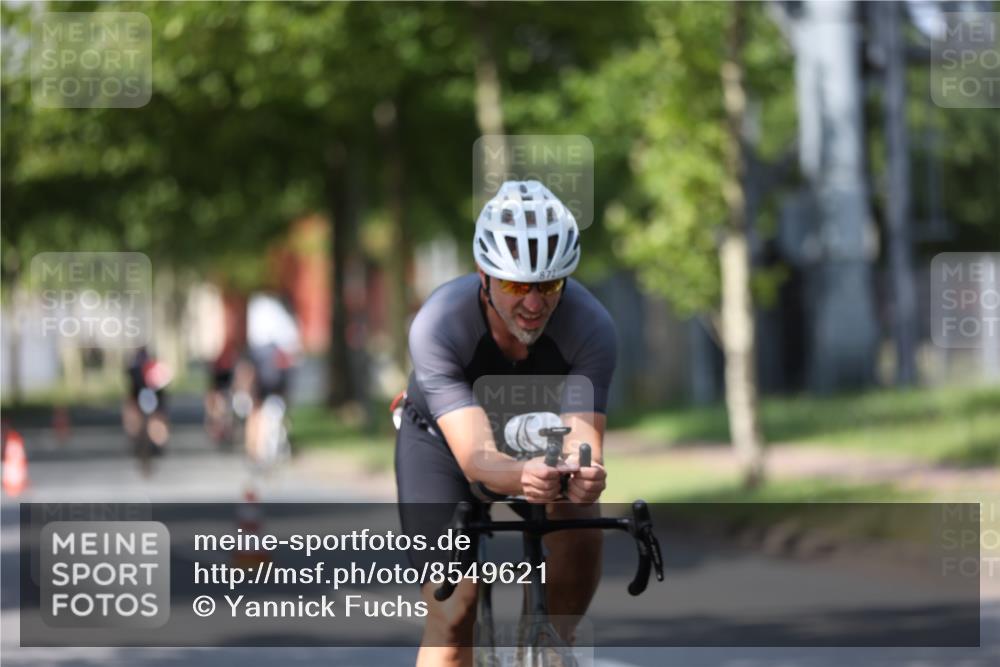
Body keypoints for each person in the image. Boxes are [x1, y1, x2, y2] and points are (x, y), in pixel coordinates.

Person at [395, 180, 616, 666]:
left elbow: (583, 437)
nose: (534, 304)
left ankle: (549, 647)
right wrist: (523, 476)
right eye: (516, 284)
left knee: (580, 522)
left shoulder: (591, 326)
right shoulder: (439, 324)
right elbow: (476, 458)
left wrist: (587, 474)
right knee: (454, 611)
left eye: (550, 285)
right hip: (443, 444)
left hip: (540, 437)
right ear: (483, 274)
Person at [243, 292, 301, 463]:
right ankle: (263, 446)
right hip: (276, 367)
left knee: (256, 408)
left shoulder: (258, 313)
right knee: (273, 405)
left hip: (263, 362)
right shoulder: (282, 319)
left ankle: (254, 448)